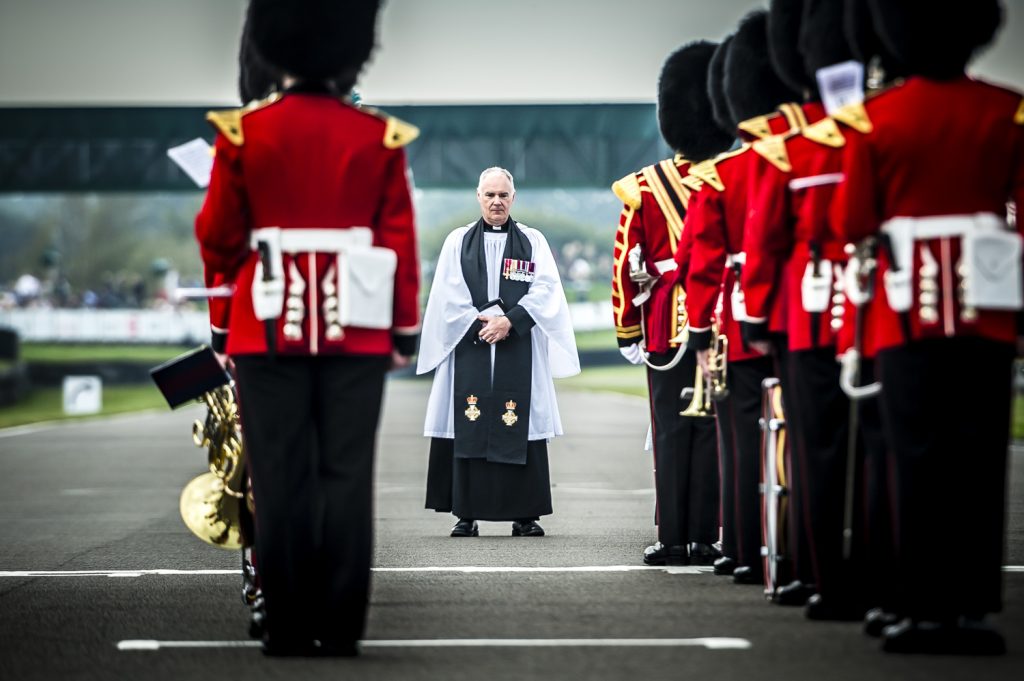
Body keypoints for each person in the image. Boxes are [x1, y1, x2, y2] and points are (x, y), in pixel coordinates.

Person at [194, 0, 421, 657]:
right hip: (356, 330)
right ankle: (343, 621)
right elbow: (399, 241)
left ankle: (287, 620)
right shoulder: (378, 137)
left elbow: (217, 237)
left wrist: (222, 325)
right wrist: (402, 331)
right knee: (347, 475)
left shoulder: (242, 134)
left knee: (279, 473)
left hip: (265, 327)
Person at [833, 0, 1019, 655]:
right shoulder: (1008, 110)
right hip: (988, 309)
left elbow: (852, 221)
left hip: (904, 311)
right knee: (977, 460)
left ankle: (918, 607)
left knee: (914, 460)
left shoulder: (876, 120)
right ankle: (970, 607)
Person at [612, 42, 733, 566]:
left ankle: (673, 537)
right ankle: (707, 535)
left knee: (670, 430)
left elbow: (625, 261)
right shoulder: (734, 175)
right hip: (724, 318)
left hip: (663, 321)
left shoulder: (644, 186)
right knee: (711, 430)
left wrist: (627, 330)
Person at [419, 167, 580, 538]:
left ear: (513, 198)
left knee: (520, 421)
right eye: (489, 195)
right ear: (478, 196)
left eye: (503, 195)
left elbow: (546, 290)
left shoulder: (532, 240)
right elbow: (447, 293)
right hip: (471, 344)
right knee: (469, 416)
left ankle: (525, 514)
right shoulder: (457, 241)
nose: (496, 202)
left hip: (517, 342)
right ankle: (466, 512)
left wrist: (510, 321)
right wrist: (483, 323)